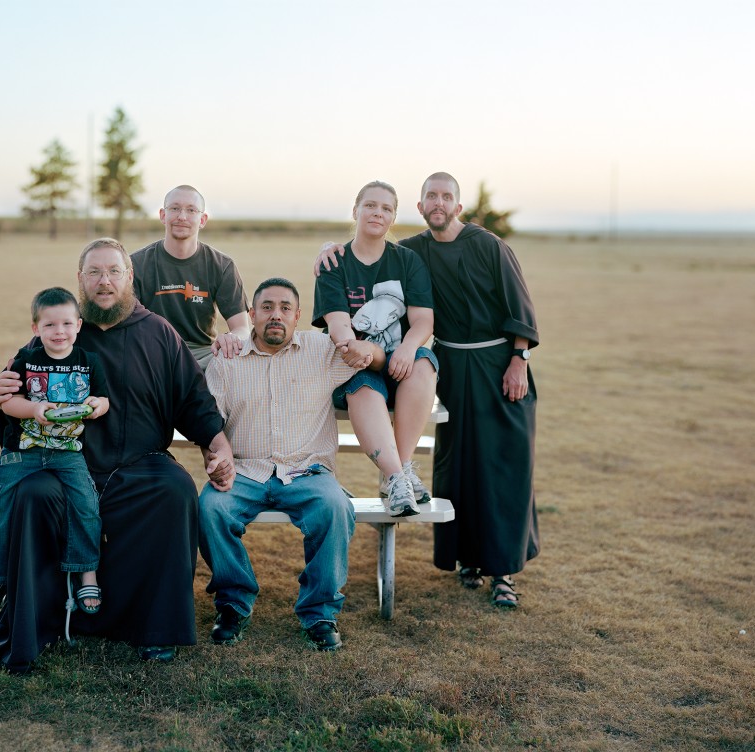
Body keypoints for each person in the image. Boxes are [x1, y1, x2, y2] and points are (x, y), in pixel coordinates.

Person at [0, 238, 235, 671]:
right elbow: (15, 401)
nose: (105, 282)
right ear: (79, 280)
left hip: (137, 465)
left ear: (129, 277)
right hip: (61, 464)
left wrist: (218, 445)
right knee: (32, 495)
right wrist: (5, 392)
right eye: (94, 273)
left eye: (114, 272)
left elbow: (193, 399)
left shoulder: (158, 332)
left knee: (174, 489)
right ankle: (35, 622)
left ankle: (155, 628)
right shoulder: (60, 332)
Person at [316, 172, 540, 608]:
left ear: (458, 205)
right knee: (458, 465)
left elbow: (519, 304)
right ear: (419, 208)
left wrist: (519, 359)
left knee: (501, 465)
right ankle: (467, 561)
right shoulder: (413, 251)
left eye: (447, 197)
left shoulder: (488, 245)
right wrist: (327, 250)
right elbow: (363, 256)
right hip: (451, 365)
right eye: (431, 197)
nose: (439, 203)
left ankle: (504, 572)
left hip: (498, 364)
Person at [199, 277, 371, 651]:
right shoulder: (227, 359)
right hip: (246, 470)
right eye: (266, 307)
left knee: (336, 507)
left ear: (298, 316)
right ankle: (233, 603)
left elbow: (372, 357)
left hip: (307, 470)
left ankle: (320, 612)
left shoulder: (323, 350)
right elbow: (209, 421)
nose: (275, 315)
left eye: (285, 308)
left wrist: (370, 349)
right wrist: (219, 458)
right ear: (251, 315)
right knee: (211, 507)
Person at [0, 287, 109, 624]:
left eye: (66, 323)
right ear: (36, 328)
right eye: (50, 325)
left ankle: (86, 573)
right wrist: (35, 408)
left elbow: (103, 399)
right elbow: (7, 401)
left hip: (68, 453)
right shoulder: (25, 360)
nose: (59, 332)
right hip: (23, 451)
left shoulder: (88, 361)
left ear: (79, 325)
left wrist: (95, 407)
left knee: (86, 506)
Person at [311, 181, 438, 518]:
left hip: (402, 367)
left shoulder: (407, 261)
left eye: (386, 208)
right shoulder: (334, 262)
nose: (377, 213)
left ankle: (399, 471)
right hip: (354, 365)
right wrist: (350, 345)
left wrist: (409, 347)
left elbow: (424, 320)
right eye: (370, 205)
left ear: (393, 217)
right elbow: (338, 323)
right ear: (356, 211)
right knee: (364, 387)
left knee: (424, 363)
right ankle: (398, 478)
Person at [131, 185, 250, 367]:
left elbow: (242, 328)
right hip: (152, 351)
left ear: (202, 219)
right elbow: (126, 324)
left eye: (191, 210)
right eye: (175, 208)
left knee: (238, 357)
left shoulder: (222, 265)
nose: (182, 216)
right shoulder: (136, 264)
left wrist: (231, 338)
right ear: (163, 215)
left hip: (203, 354)